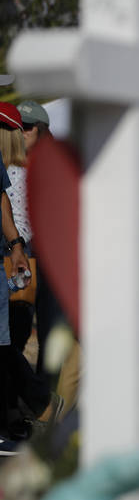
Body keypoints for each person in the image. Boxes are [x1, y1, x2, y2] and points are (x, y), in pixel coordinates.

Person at [0, 103, 32, 351]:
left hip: (9, 262)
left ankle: (35, 390)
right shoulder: (26, 173)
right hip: (18, 262)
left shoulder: (15, 174)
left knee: (8, 351)